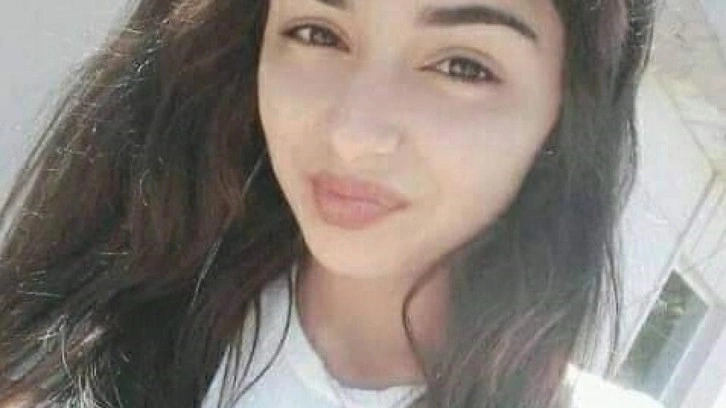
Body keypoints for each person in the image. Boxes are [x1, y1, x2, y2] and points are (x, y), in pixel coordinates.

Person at [0, 0, 654, 407]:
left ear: (566, 114)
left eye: (462, 66)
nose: (352, 134)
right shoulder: (71, 361)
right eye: (318, 32)